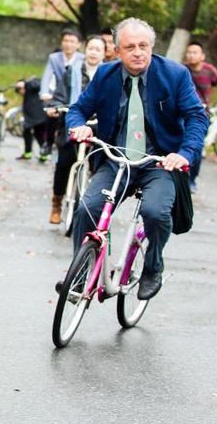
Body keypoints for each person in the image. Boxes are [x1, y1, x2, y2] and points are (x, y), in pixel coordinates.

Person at [65, 18, 208, 300]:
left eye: (143, 46)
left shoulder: (175, 75)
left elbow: (196, 117)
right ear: (116, 51)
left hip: (160, 163)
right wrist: (79, 125)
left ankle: (153, 267)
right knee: (88, 209)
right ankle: (80, 276)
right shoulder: (105, 75)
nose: (138, 52)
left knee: (155, 213)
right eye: (130, 47)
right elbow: (78, 109)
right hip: (116, 160)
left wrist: (183, 154)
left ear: (152, 47)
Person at [44, 35, 106, 223]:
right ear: (84, 50)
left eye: (98, 49)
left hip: (98, 126)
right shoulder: (72, 71)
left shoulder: (109, 74)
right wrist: (56, 105)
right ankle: (57, 204)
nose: (93, 52)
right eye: (91, 48)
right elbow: (59, 94)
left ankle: (94, 207)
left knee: (101, 166)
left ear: (104, 53)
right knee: (63, 163)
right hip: (72, 123)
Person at [39, 29, 84, 156]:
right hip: (59, 92)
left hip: (76, 92)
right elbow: (47, 76)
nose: (68, 44)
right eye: (66, 41)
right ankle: (48, 142)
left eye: (72, 41)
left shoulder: (83, 59)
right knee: (51, 111)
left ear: (78, 44)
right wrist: (44, 92)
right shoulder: (54, 58)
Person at [184, 41, 217, 192]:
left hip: (201, 115)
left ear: (202, 56)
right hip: (183, 114)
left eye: (195, 52)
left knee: (196, 148)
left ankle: (192, 179)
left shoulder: (209, 71)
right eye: (189, 52)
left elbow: (216, 82)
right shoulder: (182, 70)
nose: (191, 55)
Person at [14, 77, 49, 162]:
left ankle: (41, 154)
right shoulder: (27, 93)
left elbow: (38, 85)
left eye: (20, 89)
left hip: (37, 117)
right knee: (34, 134)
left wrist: (25, 84)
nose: (21, 92)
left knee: (37, 134)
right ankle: (31, 154)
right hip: (32, 117)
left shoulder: (31, 86)